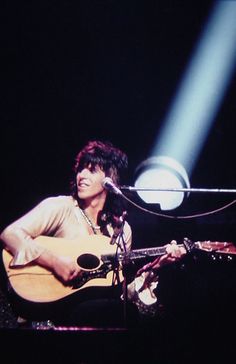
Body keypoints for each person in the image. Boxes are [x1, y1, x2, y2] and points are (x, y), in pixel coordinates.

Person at [0, 139, 186, 328]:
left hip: (89, 312)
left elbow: (120, 293)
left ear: (110, 180)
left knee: (129, 314)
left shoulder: (121, 230)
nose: (82, 175)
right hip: (49, 309)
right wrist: (55, 262)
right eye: (81, 169)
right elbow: (10, 234)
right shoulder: (61, 207)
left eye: (92, 170)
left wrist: (157, 266)